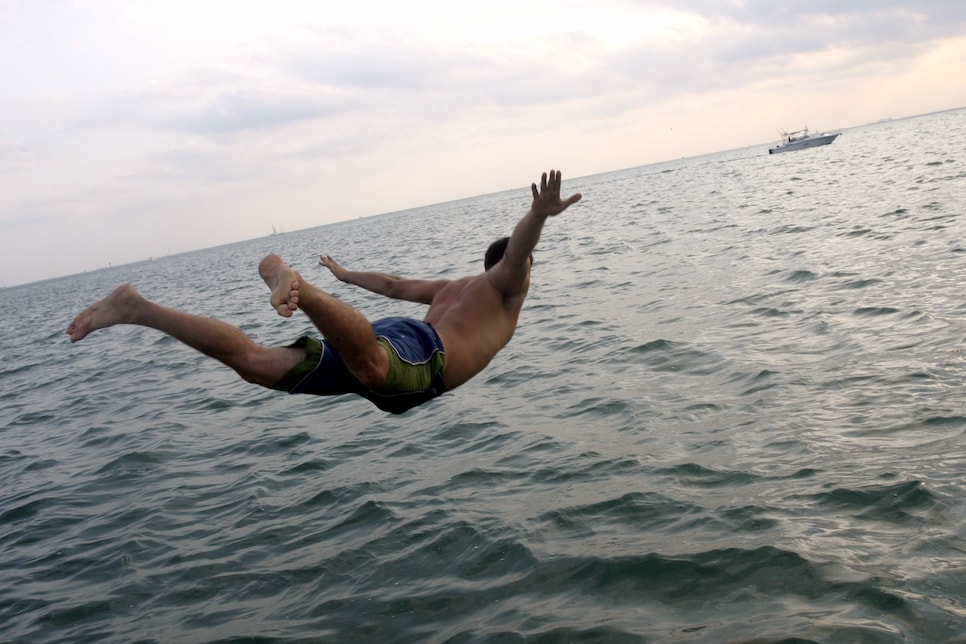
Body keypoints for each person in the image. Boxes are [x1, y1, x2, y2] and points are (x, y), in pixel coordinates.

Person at [67, 170, 582, 414]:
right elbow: (516, 255)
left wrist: (347, 275)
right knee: (376, 368)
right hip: (420, 358)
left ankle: (137, 308)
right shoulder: (507, 287)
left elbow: (395, 285)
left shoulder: (452, 288)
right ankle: (304, 292)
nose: (525, 272)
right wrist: (536, 217)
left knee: (255, 365)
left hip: (392, 341)